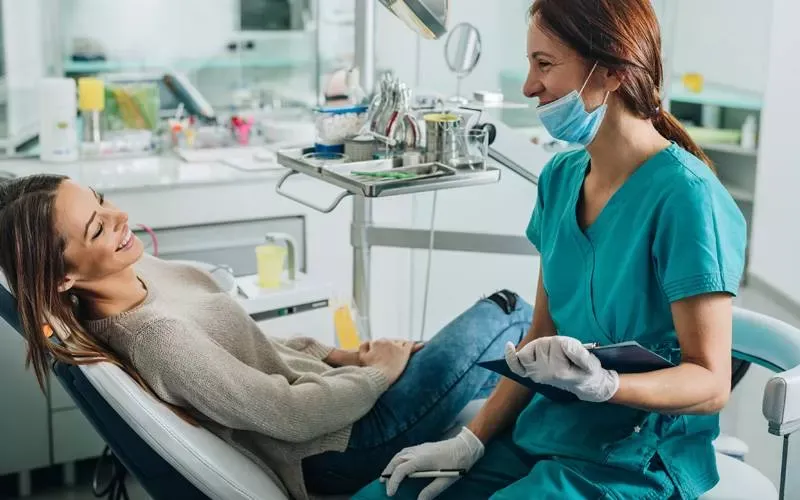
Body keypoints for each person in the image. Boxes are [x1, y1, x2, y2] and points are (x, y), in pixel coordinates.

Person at [355, 0, 747, 499]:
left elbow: (711, 383)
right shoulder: (560, 178)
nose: (528, 85)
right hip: (542, 435)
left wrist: (607, 386)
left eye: (544, 64)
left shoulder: (687, 198)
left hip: (630, 461)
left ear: (610, 71)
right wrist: (468, 443)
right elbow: (541, 336)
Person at [0, 174, 532, 500]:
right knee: (505, 313)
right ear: (62, 278)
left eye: (101, 201)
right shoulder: (156, 337)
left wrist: (343, 354)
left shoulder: (142, 274)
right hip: (341, 447)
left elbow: (259, 348)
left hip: (340, 402)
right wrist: (376, 373)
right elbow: (288, 415)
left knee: (493, 366)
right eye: (97, 228)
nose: (120, 218)